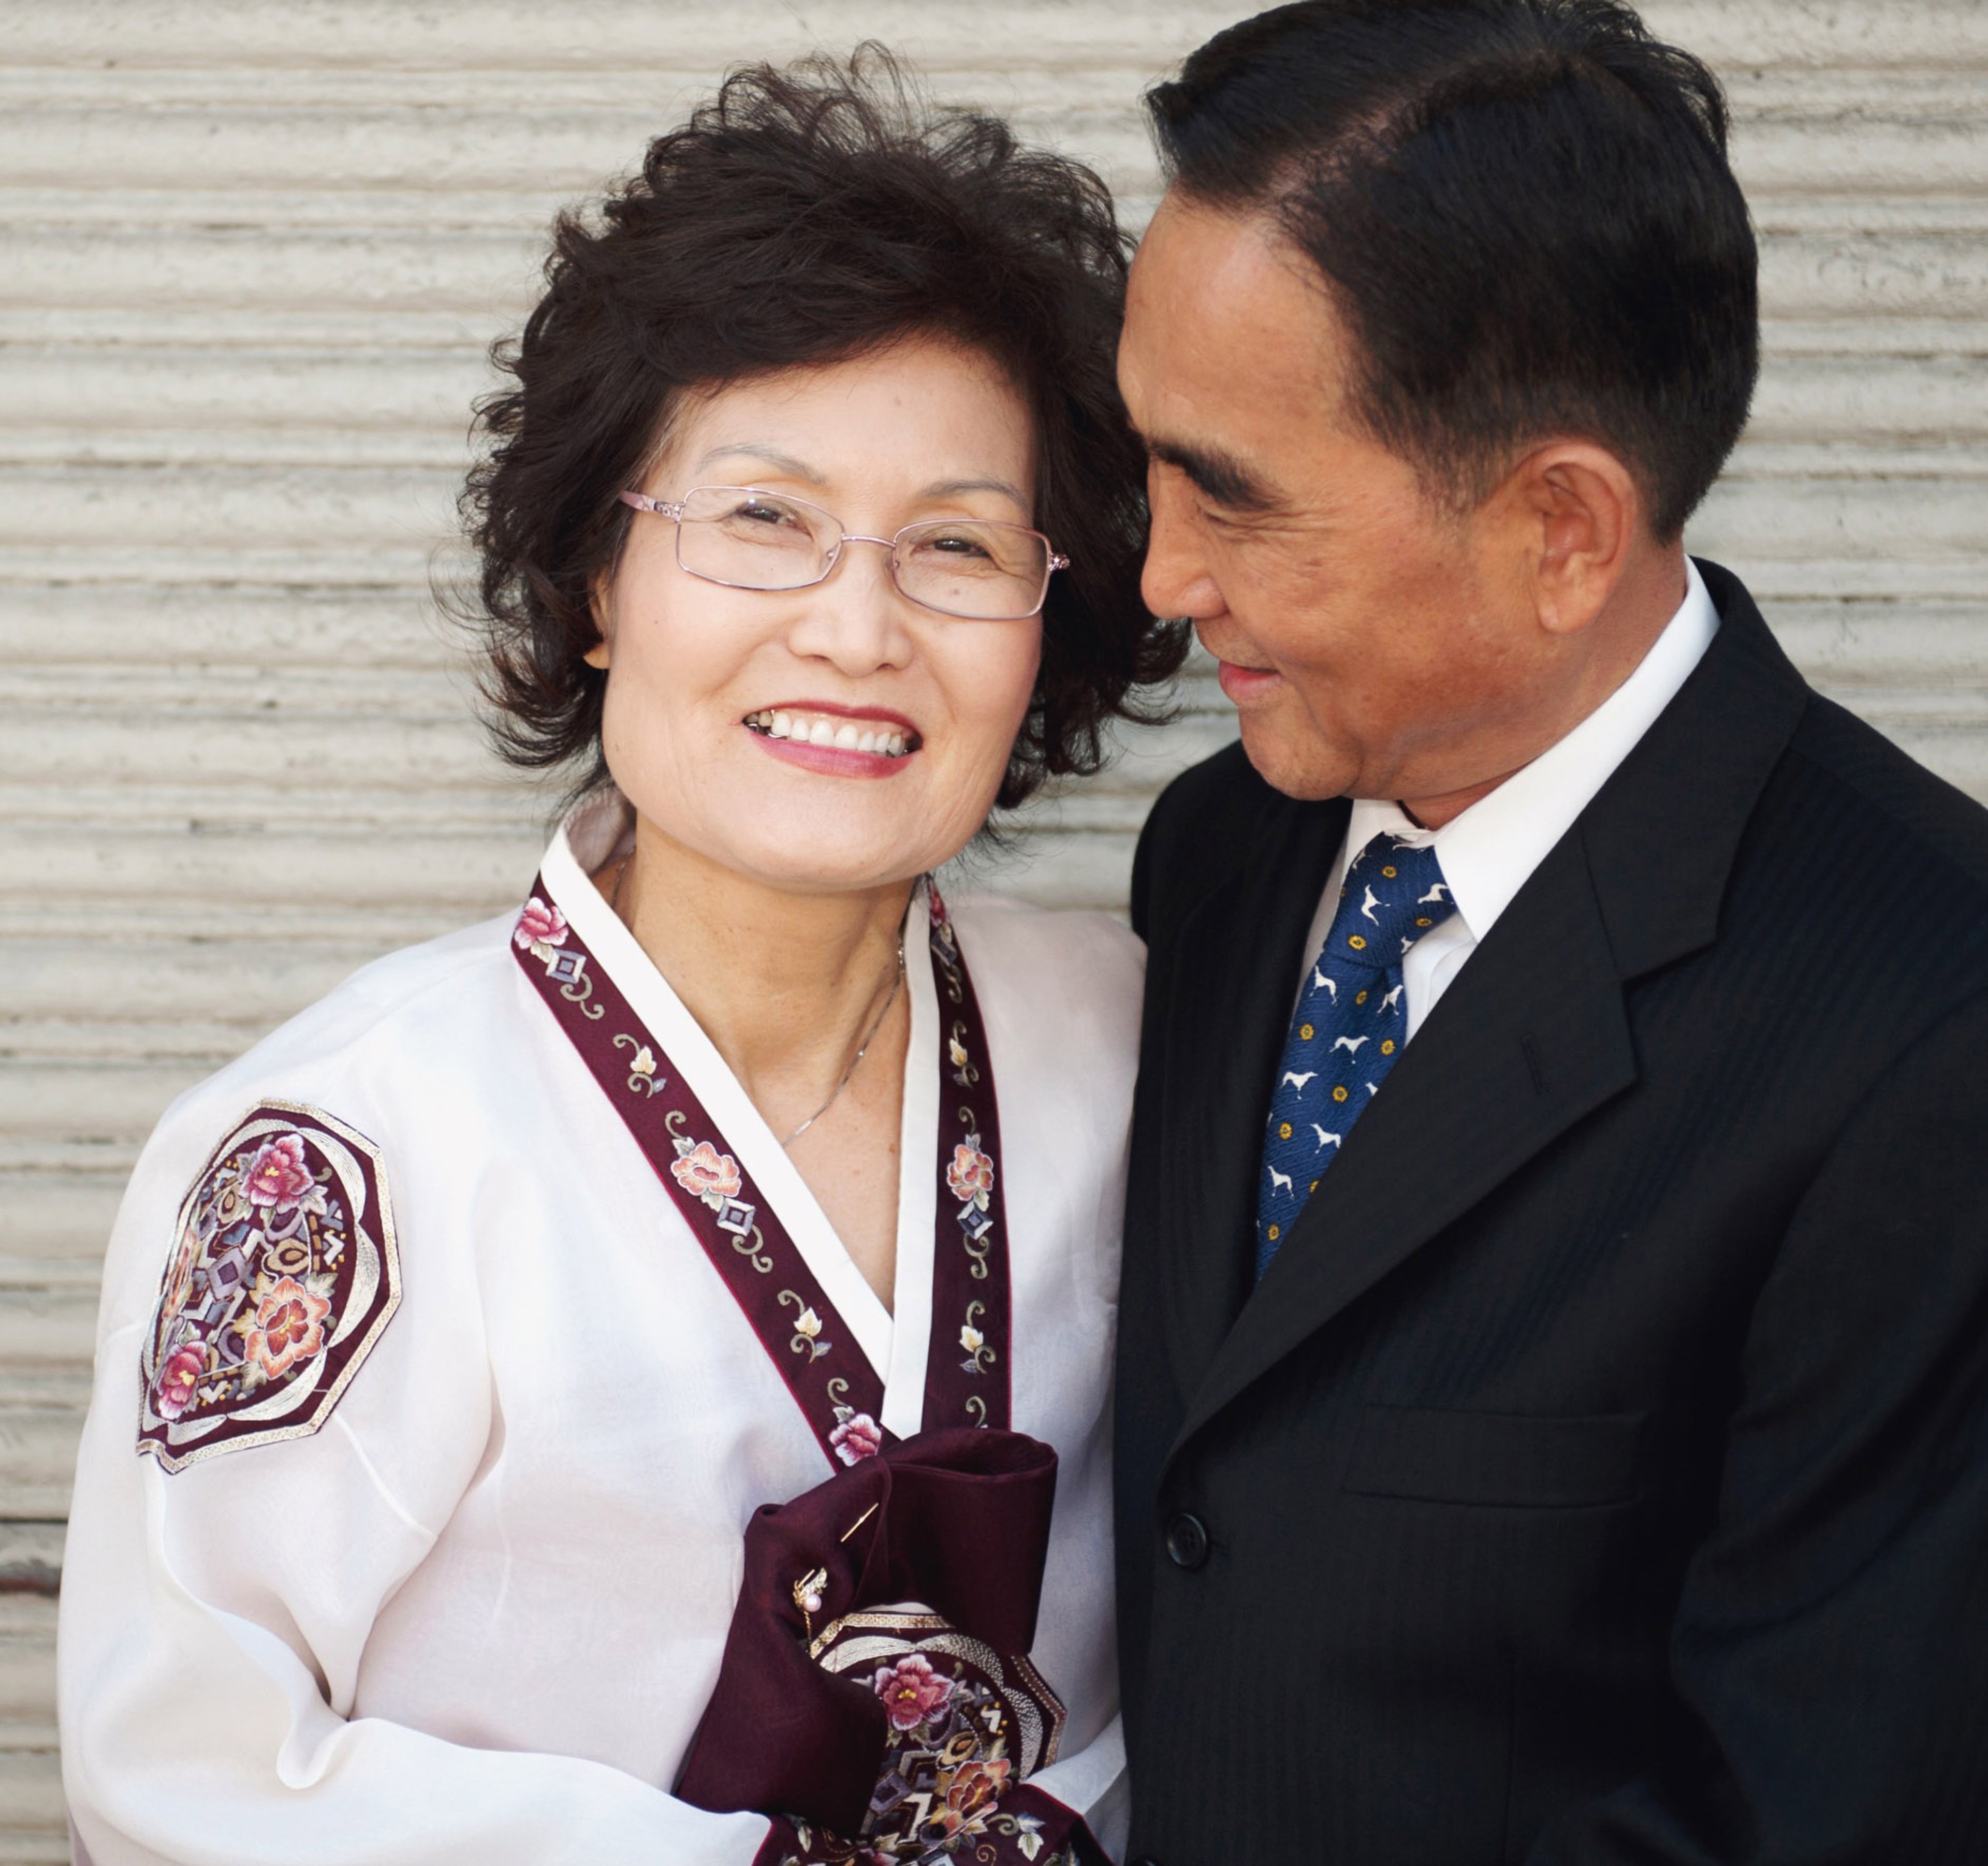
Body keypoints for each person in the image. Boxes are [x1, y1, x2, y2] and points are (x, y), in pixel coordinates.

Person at [59, 53, 1183, 1865]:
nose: (858, 622)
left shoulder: (1150, 1047)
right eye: (762, 517)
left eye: (960, 543)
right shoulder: (341, 1151)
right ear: (599, 578)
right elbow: (184, 1775)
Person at [1110, 3, 1988, 1863]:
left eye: (1233, 499)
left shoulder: (1933, 1025)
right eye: (1154, 468)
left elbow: (1813, 1811)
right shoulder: (1219, 854)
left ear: (1564, 529)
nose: (1162, 576)